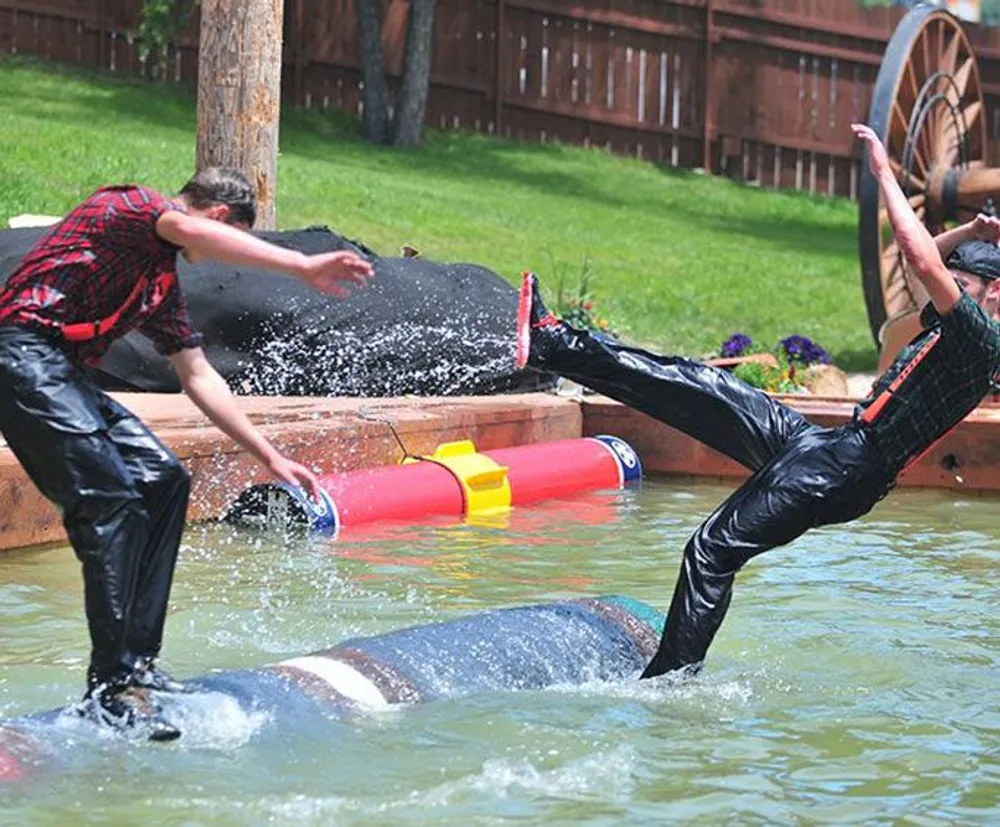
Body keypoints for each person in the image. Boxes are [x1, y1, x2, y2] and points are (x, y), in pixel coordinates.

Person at [515, 123, 1000, 681]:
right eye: (956, 280)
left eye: (963, 284)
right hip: (830, 446)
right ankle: (555, 345)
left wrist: (885, 175)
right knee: (693, 384)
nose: (951, 289)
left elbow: (918, 260)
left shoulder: (979, 342)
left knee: (710, 551)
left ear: (992, 295)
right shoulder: (958, 321)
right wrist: (968, 229)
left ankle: (668, 687)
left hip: (848, 468)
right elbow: (927, 270)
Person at [0, 169, 374, 739]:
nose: (215, 261)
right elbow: (182, 228)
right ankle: (111, 687)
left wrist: (268, 454)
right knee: (111, 501)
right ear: (219, 218)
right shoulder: (128, 206)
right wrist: (301, 265)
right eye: (227, 240)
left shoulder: (158, 285)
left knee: (163, 477)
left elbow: (198, 374)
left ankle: (140, 665)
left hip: (61, 374)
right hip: (17, 352)